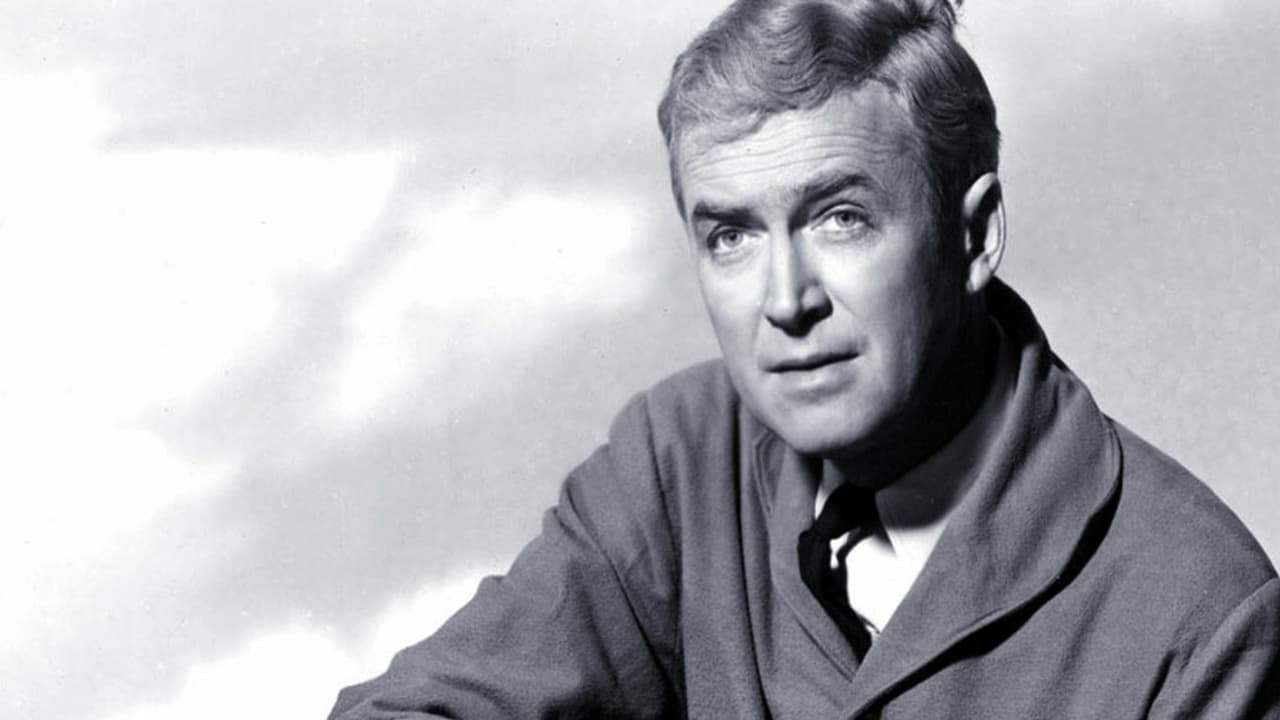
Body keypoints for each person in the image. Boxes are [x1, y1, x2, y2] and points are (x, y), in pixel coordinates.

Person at [330, 0, 1280, 717]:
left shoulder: (1201, 614)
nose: (786, 301)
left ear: (976, 235)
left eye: (841, 218)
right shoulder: (681, 456)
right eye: (732, 236)